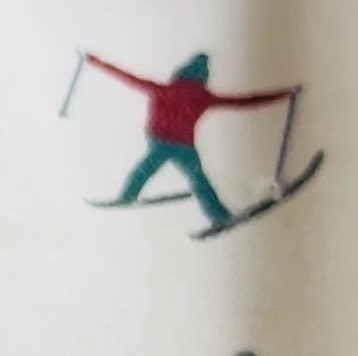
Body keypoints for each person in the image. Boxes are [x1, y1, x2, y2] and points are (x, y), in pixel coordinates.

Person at [87, 49, 292, 231]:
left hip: (160, 140)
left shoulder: (164, 89)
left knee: (144, 169)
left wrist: (94, 61)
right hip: (183, 145)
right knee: (198, 179)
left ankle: (127, 197)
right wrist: (282, 95)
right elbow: (242, 102)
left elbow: (126, 76)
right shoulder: (202, 97)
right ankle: (219, 216)